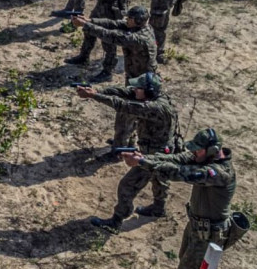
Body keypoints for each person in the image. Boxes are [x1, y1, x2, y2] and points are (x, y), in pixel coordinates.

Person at [121, 128, 236, 269]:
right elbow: (179, 159)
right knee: (185, 262)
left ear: (212, 151)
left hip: (209, 234)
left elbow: (181, 173)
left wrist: (142, 163)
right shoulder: (206, 160)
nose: (194, 154)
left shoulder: (218, 173)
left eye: (198, 151)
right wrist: (146, 158)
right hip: (198, 227)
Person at [75, 72, 180, 228]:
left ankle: (117, 220)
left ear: (148, 91)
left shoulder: (154, 108)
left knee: (127, 186)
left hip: (154, 155)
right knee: (159, 179)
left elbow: (124, 105)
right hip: (164, 149)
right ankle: (159, 208)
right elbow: (124, 92)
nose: (134, 89)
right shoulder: (157, 96)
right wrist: (97, 91)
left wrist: (94, 96)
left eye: (139, 88)